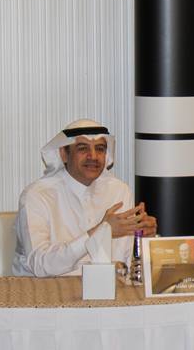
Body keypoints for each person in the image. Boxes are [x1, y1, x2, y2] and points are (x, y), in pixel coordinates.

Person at [12, 119, 157, 277]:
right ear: (64, 154)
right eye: (83, 148)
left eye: (100, 149)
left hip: (111, 288)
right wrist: (101, 232)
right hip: (47, 289)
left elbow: (128, 263)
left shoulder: (119, 191)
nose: (93, 156)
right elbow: (40, 265)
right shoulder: (37, 195)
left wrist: (144, 240)